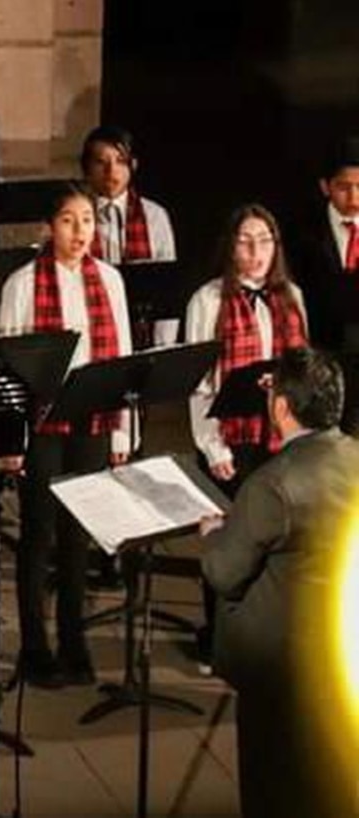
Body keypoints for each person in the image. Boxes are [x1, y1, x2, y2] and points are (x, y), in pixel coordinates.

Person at [199, 347, 359, 818]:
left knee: (274, 789)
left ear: (282, 408)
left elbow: (224, 572)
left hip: (280, 666)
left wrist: (214, 535)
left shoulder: (272, 484)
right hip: (344, 654)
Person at [0, 183, 133, 688]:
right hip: (42, 423)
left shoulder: (110, 280)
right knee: (38, 534)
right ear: (48, 227)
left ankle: (74, 641)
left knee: (79, 534)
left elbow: (121, 356)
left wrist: (121, 434)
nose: (79, 232)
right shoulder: (23, 283)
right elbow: (8, 368)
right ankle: (35, 646)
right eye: (69, 221)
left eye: (87, 220)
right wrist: (9, 440)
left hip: (92, 419)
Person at [186, 203, 308, 671]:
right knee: (228, 540)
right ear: (230, 247)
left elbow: (303, 371)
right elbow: (200, 382)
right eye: (245, 241)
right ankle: (217, 640)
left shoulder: (291, 296)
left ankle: (262, 638)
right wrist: (211, 445)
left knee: (273, 540)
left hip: (279, 439)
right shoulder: (208, 299)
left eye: (264, 241)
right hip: (229, 438)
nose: (256, 251)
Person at [294, 137, 359, 352]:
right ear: (325, 187)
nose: (354, 198)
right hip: (323, 352)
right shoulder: (301, 234)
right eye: (343, 187)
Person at [80, 125, 176, 265]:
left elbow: (166, 271)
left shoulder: (154, 215)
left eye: (120, 161)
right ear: (86, 168)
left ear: (133, 165)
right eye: (101, 162)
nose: (111, 170)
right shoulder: (74, 215)